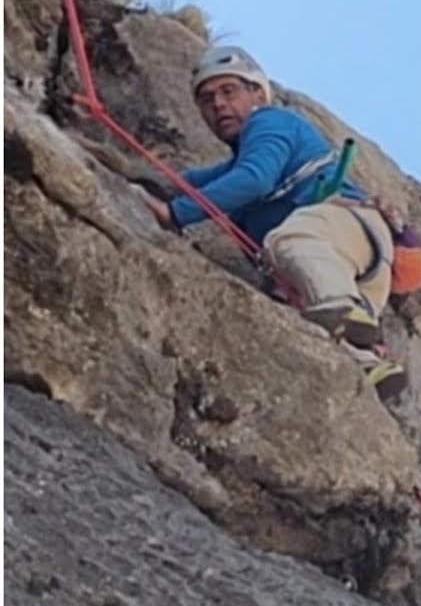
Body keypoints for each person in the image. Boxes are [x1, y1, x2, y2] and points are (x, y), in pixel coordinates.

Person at [138, 46, 407, 402]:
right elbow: (193, 180)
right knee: (326, 337)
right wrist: (131, 168)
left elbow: (254, 179)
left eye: (229, 91)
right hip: (352, 266)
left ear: (258, 94)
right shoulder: (238, 163)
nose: (217, 104)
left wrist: (175, 214)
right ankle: (370, 359)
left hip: (341, 231)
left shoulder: (270, 122)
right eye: (206, 99)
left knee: (287, 242)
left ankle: (343, 308)